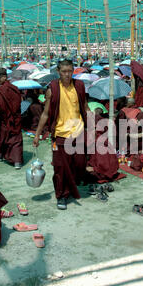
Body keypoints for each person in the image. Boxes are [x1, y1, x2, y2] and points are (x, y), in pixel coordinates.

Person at [33, 59, 90, 210]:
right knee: (60, 167)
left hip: (78, 132)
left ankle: (70, 187)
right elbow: (45, 114)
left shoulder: (79, 86)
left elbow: (85, 106)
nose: (67, 74)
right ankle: (61, 195)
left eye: (70, 71)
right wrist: (37, 134)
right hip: (60, 135)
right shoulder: (52, 89)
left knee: (78, 164)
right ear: (58, 72)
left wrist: (92, 124)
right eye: (64, 72)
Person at [0, 68, 24, 169]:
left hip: (6, 119)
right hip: (16, 118)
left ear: (4, 77)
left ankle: (1, 154)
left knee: (4, 137)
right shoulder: (15, 88)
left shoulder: (2, 91)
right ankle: (17, 162)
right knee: (16, 139)